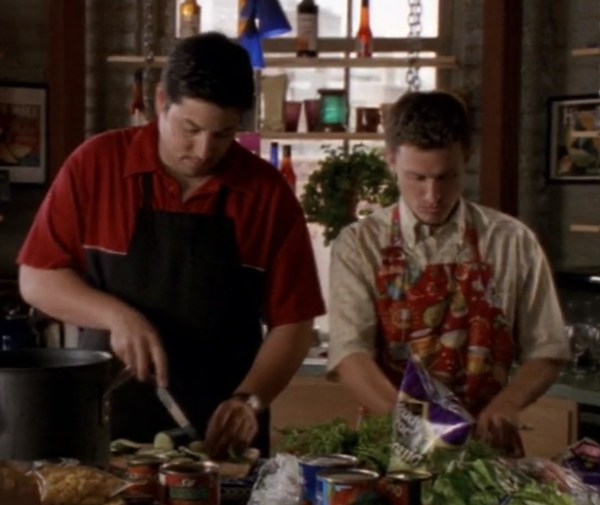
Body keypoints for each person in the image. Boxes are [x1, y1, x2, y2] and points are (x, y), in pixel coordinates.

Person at [17, 32, 325, 458]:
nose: (203, 151)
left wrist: (250, 399)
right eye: (191, 129)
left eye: (223, 134)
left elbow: (294, 323)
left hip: (222, 433)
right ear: (162, 101)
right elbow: (36, 278)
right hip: (107, 420)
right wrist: (115, 315)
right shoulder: (97, 165)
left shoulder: (267, 194)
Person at [327, 90, 570, 455]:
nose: (432, 195)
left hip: (487, 450)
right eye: (417, 178)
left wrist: (508, 404)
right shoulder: (360, 245)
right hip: (394, 443)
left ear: (466, 159)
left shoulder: (511, 242)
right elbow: (350, 354)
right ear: (391, 160)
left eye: (447, 177)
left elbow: (548, 349)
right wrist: (414, 426)